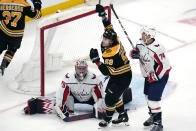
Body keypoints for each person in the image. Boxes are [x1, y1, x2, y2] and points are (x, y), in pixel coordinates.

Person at [23, 59, 133, 119]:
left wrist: (101, 106)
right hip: (74, 97)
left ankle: (125, 94)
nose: (81, 71)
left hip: (91, 99)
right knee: (60, 104)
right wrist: (60, 106)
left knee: (106, 103)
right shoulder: (67, 78)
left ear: (87, 68)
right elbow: (61, 93)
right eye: (79, 68)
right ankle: (33, 105)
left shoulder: (94, 78)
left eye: (83, 68)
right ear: (75, 68)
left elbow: (102, 95)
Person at [89, 4, 132, 127]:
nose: (103, 40)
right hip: (119, 73)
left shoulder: (111, 53)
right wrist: (103, 15)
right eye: (104, 37)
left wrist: (96, 60)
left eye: (106, 39)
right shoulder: (115, 39)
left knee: (109, 99)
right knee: (114, 95)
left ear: (111, 42)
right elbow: (108, 26)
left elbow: (106, 72)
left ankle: (107, 119)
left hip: (122, 77)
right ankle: (123, 115)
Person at [130, 26, 171, 131]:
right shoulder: (140, 43)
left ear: (149, 36)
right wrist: (133, 54)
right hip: (148, 75)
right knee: (147, 97)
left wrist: (155, 76)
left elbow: (165, 66)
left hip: (160, 76)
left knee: (153, 100)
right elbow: (136, 51)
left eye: (144, 34)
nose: (141, 35)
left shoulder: (157, 49)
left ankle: (158, 123)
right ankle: (153, 116)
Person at [0, 0, 42, 76]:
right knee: (12, 49)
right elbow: (37, 15)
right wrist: (37, 3)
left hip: (3, 31)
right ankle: (4, 63)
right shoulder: (24, 4)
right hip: (16, 34)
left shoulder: (2, 2)